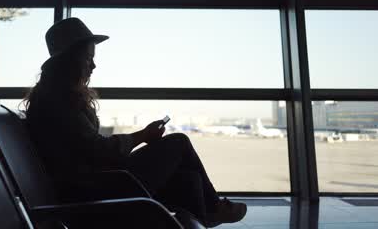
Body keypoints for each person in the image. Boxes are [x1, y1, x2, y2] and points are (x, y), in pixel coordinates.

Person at [23, 17, 247, 227]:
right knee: (178, 142)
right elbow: (97, 150)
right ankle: (213, 207)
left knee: (189, 180)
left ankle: (207, 215)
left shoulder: (52, 94)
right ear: (70, 60)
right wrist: (143, 136)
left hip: (94, 181)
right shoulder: (59, 98)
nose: (93, 66)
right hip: (92, 188)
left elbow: (88, 149)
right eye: (88, 58)